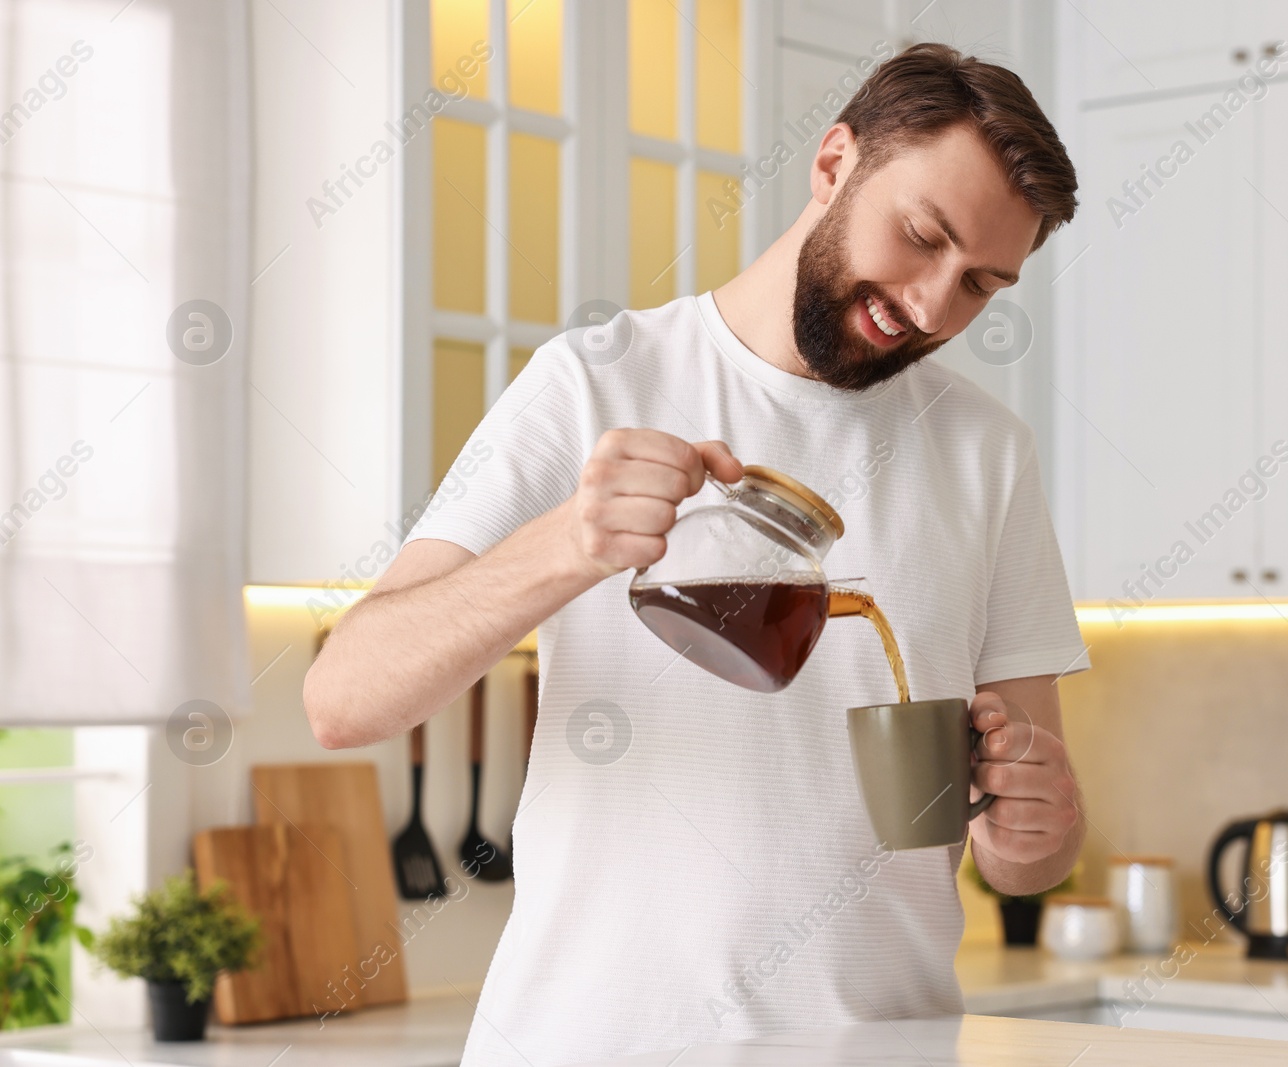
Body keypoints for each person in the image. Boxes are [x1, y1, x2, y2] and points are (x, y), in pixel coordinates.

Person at [304, 41, 1090, 1067]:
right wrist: (565, 544)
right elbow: (344, 698)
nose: (935, 307)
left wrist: (1040, 826)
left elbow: (1023, 840)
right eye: (921, 236)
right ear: (833, 162)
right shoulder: (594, 383)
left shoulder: (988, 452)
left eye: (981, 283)